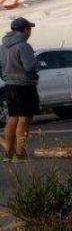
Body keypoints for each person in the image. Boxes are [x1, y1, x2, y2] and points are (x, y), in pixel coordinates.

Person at [0, 17, 41, 161]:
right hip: (24, 86)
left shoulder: (3, 46)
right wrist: (39, 64)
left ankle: (8, 154)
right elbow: (29, 66)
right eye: (29, 29)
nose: (30, 32)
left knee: (12, 118)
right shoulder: (24, 46)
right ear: (25, 30)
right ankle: (21, 153)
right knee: (24, 119)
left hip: (9, 85)